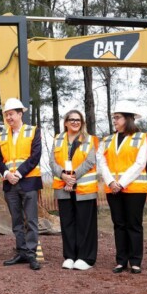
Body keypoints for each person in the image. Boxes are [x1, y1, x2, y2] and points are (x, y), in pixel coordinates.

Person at [98, 102, 147, 274]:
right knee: (118, 225)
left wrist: (121, 183)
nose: (115, 121)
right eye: (114, 117)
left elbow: (140, 163)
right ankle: (121, 261)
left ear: (128, 118)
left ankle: (135, 261)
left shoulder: (141, 138)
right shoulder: (107, 140)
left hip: (134, 189)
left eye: (117, 117)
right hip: (113, 189)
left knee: (134, 225)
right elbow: (102, 162)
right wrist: (111, 182)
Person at [0, 98, 42, 271]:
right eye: (7, 115)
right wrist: (7, 173)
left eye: (12, 114)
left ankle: (31, 254)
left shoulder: (33, 131)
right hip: (10, 183)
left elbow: (35, 155)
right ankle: (21, 251)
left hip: (28, 181)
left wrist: (19, 173)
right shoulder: (1, 136)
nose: (9, 117)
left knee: (31, 220)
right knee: (16, 220)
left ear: (20, 114)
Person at [50, 110, 98, 271]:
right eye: (72, 119)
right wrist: (63, 175)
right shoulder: (58, 139)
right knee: (67, 223)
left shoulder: (90, 139)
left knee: (85, 224)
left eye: (78, 120)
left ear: (82, 122)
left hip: (84, 189)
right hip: (63, 188)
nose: (75, 122)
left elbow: (90, 161)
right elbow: (52, 161)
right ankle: (70, 256)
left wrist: (73, 176)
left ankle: (86, 257)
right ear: (65, 122)